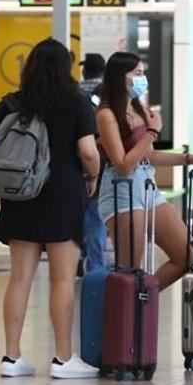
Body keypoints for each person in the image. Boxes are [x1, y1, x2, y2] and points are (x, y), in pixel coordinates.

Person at [0, 39, 102, 379]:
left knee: (20, 278)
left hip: (21, 195)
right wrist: (94, 175)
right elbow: (87, 151)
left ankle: (11, 357)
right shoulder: (78, 102)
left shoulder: (15, 101)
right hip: (62, 198)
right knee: (62, 280)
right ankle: (63, 358)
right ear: (65, 67)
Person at [95, 52, 193, 291]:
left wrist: (190, 159)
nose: (142, 78)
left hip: (147, 186)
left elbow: (149, 156)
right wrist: (152, 132)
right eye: (136, 73)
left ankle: (142, 300)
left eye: (143, 73)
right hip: (122, 190)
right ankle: (128, 313)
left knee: (186, 255)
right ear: (119, 77)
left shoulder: (140, 109)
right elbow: (123, 164)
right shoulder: (106, 115)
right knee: (129, 269)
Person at [78, 53, 106, 273]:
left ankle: (79, 256)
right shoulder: (106, 94)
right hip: (98, 161)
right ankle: (95, 265)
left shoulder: (74, 92)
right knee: (95, 216)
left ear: (85, 71)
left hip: (72, 163)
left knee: (78, 213)